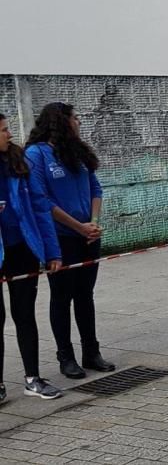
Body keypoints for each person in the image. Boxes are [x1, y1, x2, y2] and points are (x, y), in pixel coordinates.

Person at [25, 103, 115, 381]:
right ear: (60, 122)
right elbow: (42, 200)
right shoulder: (36, 154)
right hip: (60, 239)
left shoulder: (77, 152)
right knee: (62, 297)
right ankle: (66, 356)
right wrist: (77, 226)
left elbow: (95, 188)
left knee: (85, 295)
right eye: (75, 118)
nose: (79, 122)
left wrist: (93, 223)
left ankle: (91, 351)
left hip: (88, 237)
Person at [0, 113, 64, 404]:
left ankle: (32, 379)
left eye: (7, 129)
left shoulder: (19, 162)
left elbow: (40, 209)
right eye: (3, 130)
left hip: (22, 249)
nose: (9, 134)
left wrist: (52, 251)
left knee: (24, 315)